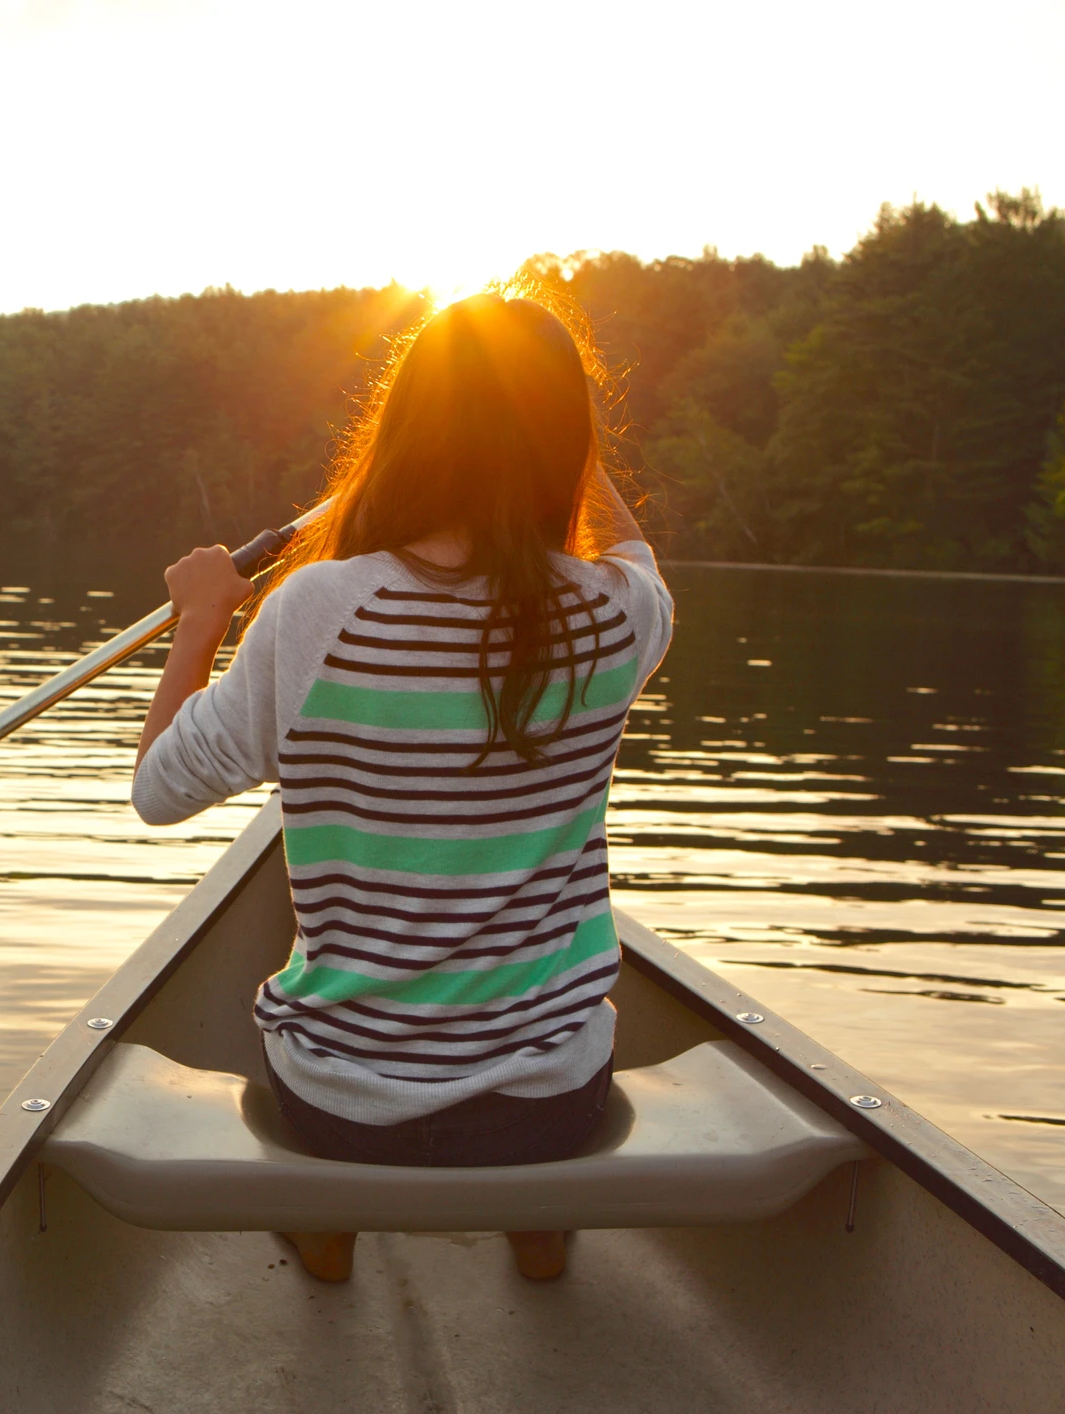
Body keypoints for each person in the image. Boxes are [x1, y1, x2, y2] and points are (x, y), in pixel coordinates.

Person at [129, 291, 673, 1284]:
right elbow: (632, 549)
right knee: (556, 1062)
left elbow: (158, 790)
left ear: (409, 430)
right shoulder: (618, 617)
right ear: (564, 445)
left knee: (305, 1028)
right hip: (552, 1104)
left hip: (345, 1108)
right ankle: (542, 1227)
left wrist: (202, 616)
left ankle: (330, 1225)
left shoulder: (313, 612)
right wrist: (563, 439)